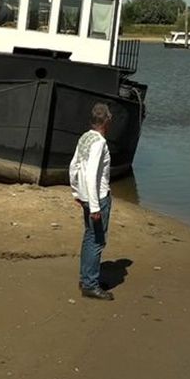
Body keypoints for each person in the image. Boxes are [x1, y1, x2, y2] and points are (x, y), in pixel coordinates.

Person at [69, 102, 114, 301]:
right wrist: (95, 206)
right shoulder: (99, 143)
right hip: (98, 198)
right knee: (96, 241)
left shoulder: (84, 137)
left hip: (87, 197)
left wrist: (76, 192)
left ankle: (86, 278)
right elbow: (91, 174)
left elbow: (74, 166)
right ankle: (90, 284)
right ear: (107, 121)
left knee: (89, 237)